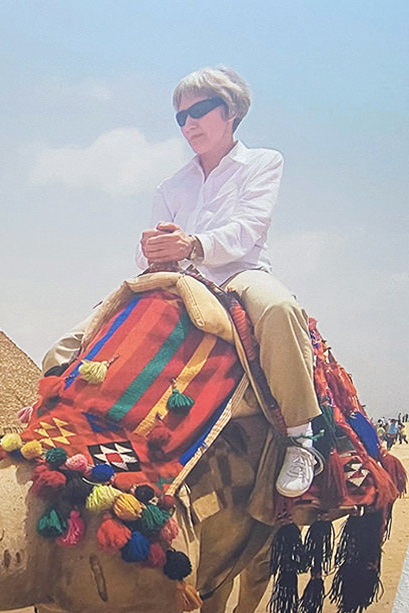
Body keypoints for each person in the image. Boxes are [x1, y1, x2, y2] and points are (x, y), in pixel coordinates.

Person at [43, 66, 322, 499]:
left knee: (280, 310)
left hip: (237, 275)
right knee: (73, 339)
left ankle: (301, 436)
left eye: (199, 111)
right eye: (180, 117)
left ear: (229, 112)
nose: (188, 124)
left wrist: (192, 244)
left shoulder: (263, 163)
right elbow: (149, 251)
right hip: (176, 278)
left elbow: (248, 229)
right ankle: (53, 414)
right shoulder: (172, 185)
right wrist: (151, 248)